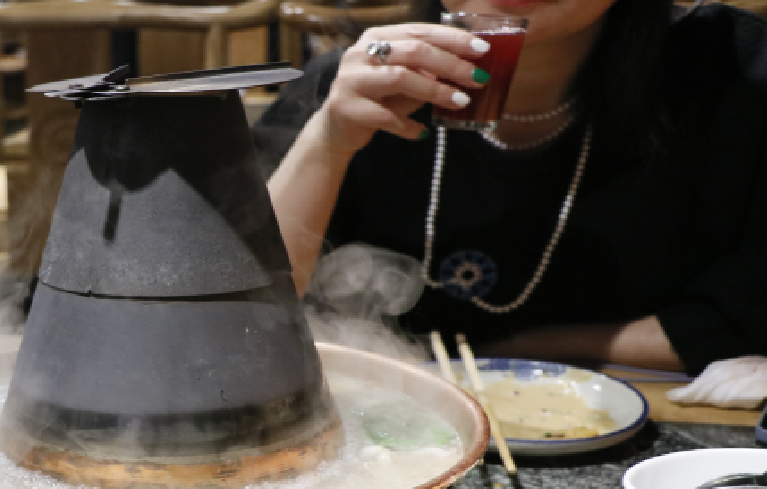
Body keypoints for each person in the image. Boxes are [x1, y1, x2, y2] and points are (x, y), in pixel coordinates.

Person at [257, 0, 767, 374]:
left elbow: (740, 319)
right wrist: (328, 141)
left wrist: (518, 350)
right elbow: (247, 311)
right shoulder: (353, 89)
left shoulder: (732, 75)